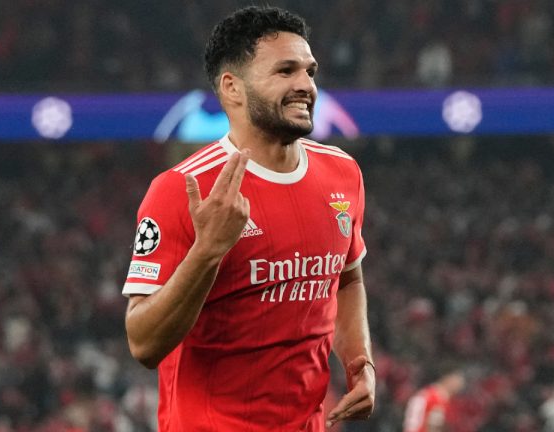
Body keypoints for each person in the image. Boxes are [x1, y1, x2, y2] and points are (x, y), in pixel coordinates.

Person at [122, 6, 375, 432]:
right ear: (232, 88)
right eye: (285, 71)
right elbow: (144, 343)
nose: (306, 86)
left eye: (310, 71)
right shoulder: (182, 189)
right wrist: (208, 251)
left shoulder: (343, 172)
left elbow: (347, 278)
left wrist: (359, 360)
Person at [403, 366, 466, 432]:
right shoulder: (426, 397)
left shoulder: (449, 400)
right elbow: (412, 423)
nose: (460, 383)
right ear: (447, 378)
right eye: (457, 378)